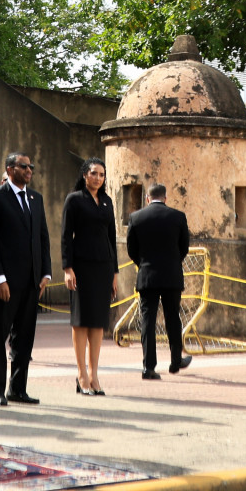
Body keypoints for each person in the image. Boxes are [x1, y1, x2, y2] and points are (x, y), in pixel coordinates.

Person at [0, 151, 51, 406]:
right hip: (5, 283)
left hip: (32, 282)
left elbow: (43, 237)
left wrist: (45, 272)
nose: (29, 170)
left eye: (31, 166)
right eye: (24, 166)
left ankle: (18, 388)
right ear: (10, 169)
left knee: (24, 338)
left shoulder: (36, 198)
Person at [57, 156, 117, 396]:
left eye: (101, 175)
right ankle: (81, 374)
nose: (97, 178)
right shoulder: (74, 200)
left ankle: (94, 375)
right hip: (81, 267)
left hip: (104, 267)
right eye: (93, 173)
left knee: (98, 321)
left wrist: (114, 273)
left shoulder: (107, 201)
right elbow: (65, 236)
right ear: (84, 175)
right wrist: (67, 268)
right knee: (81, 320)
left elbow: (111, 238)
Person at [126, 183, 190, 379]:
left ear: (147, 198)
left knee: (148, 321)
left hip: (147, 275)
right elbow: (184, 247)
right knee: (173, 318)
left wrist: (143, 264)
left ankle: (149, 367)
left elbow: (131, 249)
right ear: (165, 198)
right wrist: (172, 262)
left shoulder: (136, 217)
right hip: (171, 275)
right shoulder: (178, 217)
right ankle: (175, 361)